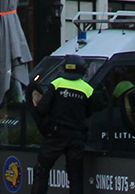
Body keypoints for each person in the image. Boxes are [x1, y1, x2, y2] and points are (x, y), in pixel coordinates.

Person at [31, 57, 95, 194]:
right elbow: (89, 112)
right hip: (77, 137)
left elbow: (42, 108)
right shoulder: (88, 89)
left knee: (42, 170)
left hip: (56, 135)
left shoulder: (56, 83)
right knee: (75, 175)